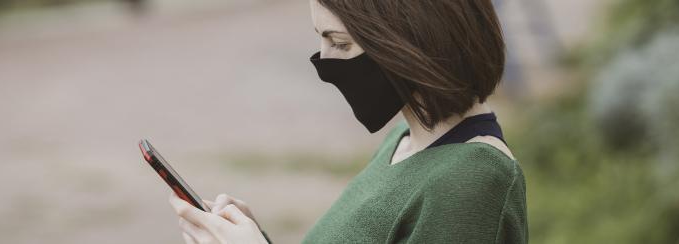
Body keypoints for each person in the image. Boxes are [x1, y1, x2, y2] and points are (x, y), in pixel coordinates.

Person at [168, 0, 528, 243]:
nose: (324, 63)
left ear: (408, 40)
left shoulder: (473, 179)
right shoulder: (403, 141)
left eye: (339, 43)